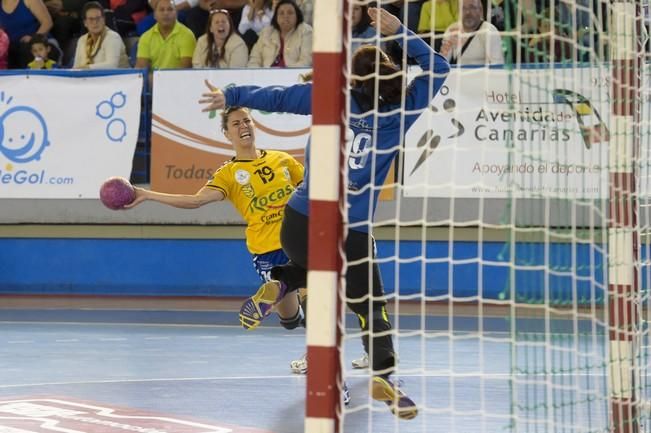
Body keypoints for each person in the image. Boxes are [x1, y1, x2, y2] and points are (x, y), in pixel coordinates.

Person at [200, 6, 449, 419]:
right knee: (370, 303)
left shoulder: (329, 95)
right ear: (393, 84)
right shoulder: (399, 111)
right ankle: (384, 372)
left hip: (298, 221)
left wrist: (231, 96)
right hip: (349, 225)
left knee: (316, 270)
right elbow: (438, 67)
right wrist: (401, 32)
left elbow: (276, 99)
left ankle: (281, 280)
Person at [125, 106, 305, 332]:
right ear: (227, 134)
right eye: (236, 124)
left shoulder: (283, 160)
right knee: (291, 320)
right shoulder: (228, 174)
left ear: (254, 125)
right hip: (267, 249)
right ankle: (283, 295)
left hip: (298, 241)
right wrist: (148, 194)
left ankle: (287, 299)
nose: (243, 126)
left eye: (247, 121)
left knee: (314, 296)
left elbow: (310, 192)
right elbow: (195, 201)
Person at [247, 0, 311, 68]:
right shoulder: (266, 32)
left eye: (290, 13)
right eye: (281, 13)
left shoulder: (305, 31)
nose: (286, 16)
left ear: (297, 16)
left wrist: (285, 75)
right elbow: (254, 60)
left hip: (293, 77)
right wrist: (258, 75)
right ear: (276, 17)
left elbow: (306, 61)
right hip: (265, 76)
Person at [135, 0, 196, 70]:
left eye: (170, 9)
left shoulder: (187, 35)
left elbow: (185, 68)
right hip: (153, 80)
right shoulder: (145, 37)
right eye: (161, 10)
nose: (166, 13)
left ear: (176, 14)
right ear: (154, 15)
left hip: (178, 79)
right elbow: (141, 69)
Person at [440, 0, 504, 65]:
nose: (468, 12)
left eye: (472, 7)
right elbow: (442, 63)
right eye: (463, 8)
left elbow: (497, 64)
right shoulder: (451, 29)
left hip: (481, 74)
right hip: (457, 73)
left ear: (481, 11)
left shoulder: (489, 30)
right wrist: (446, 49)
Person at [73, 1, 130, 69]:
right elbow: (76, 67)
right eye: (91, 19)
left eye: (98, 18)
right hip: (89, 79)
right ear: (85, 23)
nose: (95, 22)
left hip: (116, 78)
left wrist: (86, 68)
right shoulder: (82, 40)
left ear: (103, 20)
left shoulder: (113, 37)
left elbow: (111, 65)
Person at [0, 0, 53, 68]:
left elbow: (47, 23)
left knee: (25, 49)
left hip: (37, 42)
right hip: (10, 48)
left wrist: (33, 38)